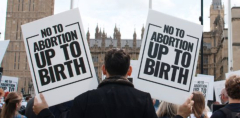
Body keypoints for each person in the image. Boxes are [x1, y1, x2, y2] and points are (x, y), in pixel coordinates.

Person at [33, 49, 194, 118]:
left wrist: (43, 113)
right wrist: (180, 115)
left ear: (103, 69)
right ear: (129, 71)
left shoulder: (83, 100)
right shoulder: (143, 100)